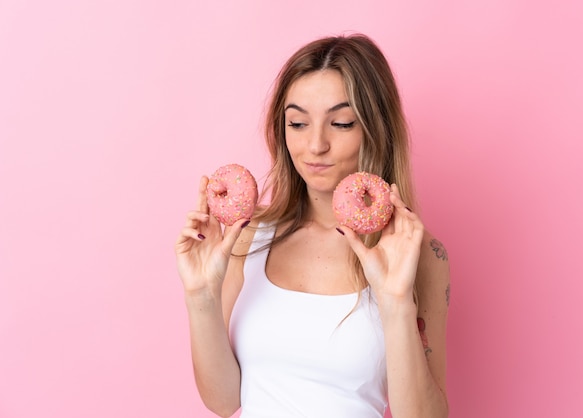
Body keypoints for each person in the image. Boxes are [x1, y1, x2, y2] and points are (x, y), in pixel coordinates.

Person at [175, 33, 450, 418]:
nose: (315, 145)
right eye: (298, 123)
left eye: (340, 123)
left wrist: (396, 302)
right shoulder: (248, 238)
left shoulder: (416, 255)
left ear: (375, 128)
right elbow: (225, 401)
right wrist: (200, 296)